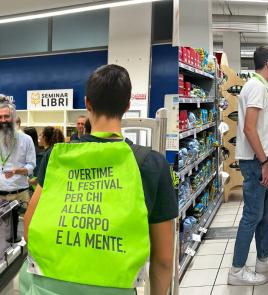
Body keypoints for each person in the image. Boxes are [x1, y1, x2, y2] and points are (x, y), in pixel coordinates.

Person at [21, 64, 178, 295]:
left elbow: (29, 225)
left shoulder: (57, 156)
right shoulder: (151, 164)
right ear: (127, 106)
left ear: (87, 104)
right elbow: (164, 259)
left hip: (49, 286)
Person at [228, 46, 268, 286]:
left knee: (265, 214)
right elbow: (249, 129)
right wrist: (264, 162)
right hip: (257, 162)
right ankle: (236, 270)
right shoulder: (255, 88)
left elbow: (261, 131)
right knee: (252, 216)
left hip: (265, 159)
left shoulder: (260, 88)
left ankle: (264, 257)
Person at [0, 95, 36, 242]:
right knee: (2, 235)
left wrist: (17, 170)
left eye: (6, 117)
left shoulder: (26, 140)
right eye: (0, 117)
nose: (3, 121)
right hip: (0, 193)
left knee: (20, 233)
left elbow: (31, 166)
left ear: (13, 117)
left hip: (19, 194)